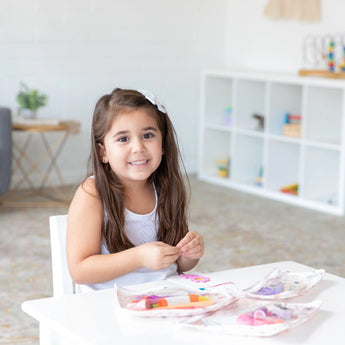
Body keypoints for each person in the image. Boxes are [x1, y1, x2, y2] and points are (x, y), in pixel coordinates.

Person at [67, 88, 204, 291]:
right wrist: (139, 257)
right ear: (103, 151)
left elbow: (179, 267)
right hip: (108, 304)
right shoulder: (93, 192)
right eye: (123, 139)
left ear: (164, 144)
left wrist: (188, 254)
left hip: (165, 296)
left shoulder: (165, 187)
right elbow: (80, 271)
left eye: (147, 135)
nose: (138, 147)